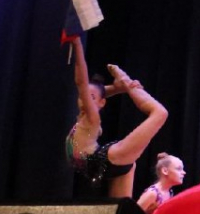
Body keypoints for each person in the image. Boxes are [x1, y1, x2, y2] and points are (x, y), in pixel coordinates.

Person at [66, 37, 168, 199]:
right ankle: (124, 83)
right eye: (83, 96)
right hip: (105, 164)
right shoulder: (85, 114)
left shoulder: (92, 117)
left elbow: (82, 82)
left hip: (106, 160)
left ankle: (126, 81)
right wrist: (118, 88)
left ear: (101, 103)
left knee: (160, 113)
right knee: (120, 208)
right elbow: (99, 92)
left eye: (90, 97)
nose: (85, 99)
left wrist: (77, 44)